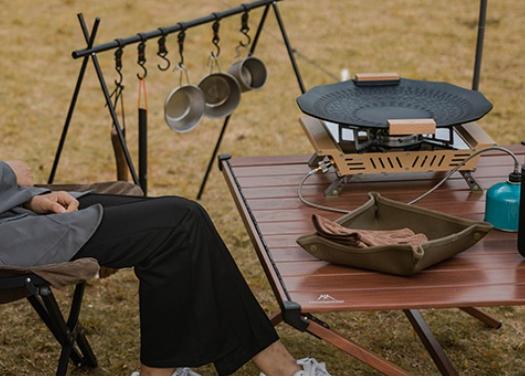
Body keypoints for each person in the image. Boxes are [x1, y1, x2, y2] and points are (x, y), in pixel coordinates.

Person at [0, 160, 330, 376]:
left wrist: (28, 197)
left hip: (11, 211)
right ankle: (279, 367)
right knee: (180, 223)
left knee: (186, 222)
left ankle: (162, 371)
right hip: (9, 240)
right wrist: (10, 176)